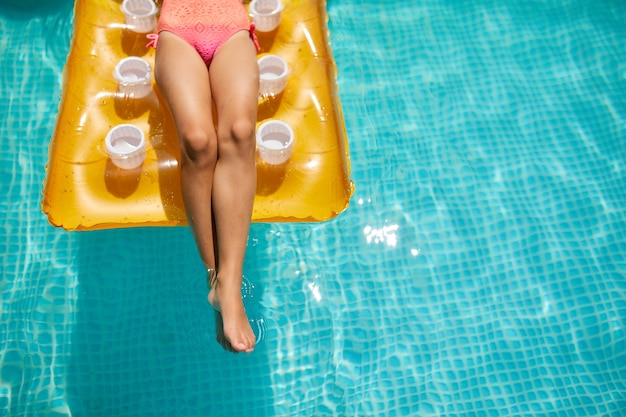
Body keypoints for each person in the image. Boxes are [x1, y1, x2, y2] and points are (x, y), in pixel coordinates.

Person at [147, 0, 260, 353]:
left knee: (241, 131)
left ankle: (229, 286)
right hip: (177, 29)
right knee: (198, 141)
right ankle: (215, 277)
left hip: (231, 26)